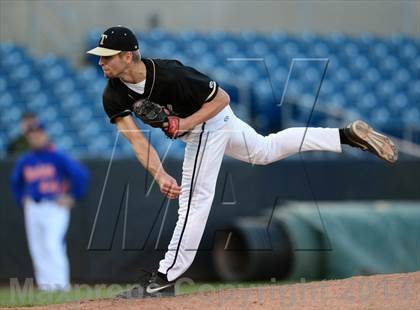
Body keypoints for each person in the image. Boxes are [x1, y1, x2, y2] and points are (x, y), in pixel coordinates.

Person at [86, 26, 398, 298]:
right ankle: (344, 136)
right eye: (99, 55)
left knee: (195, 201)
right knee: (264, 151)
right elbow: (136, 141)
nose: (100, 61)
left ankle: (164, 278)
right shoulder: (113, 94)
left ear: (128, 56)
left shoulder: (170, 73)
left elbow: (221, 99)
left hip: (208, 119)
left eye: (107, 55)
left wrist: (185, 124)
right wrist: (159, 174)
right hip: (202, 126)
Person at [10, 121, 89, 291]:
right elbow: (15, 182)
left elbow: (81, 175)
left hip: (55, 205)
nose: (35, 136)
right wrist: (20, 198)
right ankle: (46, 287)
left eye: (38, 133)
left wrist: (73, 196)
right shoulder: (26, 160)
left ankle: (61, 286)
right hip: (33, 206)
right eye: (32, 134)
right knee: (37, 247)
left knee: (52, 244)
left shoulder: (57, 156)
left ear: (45, 134)